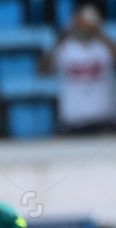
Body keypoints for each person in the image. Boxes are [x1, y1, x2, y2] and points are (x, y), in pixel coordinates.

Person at [40, 4, 116, 135]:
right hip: (72, 122)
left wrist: (100, 33)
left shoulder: (104, 46)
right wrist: (62, 35)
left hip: (104, 120)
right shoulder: (64, 47)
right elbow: (43, 70)